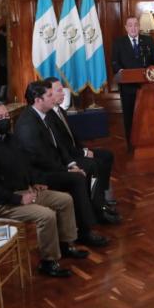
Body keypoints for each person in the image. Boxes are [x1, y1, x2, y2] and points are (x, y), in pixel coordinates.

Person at [0, 100, 87, 278]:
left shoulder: (10, 139)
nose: (5, 120)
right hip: (1, 201)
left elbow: (25, 164)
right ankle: (48, 262)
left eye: (6, 116)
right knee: (46, 215)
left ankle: (66, 245)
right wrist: (18, 199)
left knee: (65, 200)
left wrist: (34, 181)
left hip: (25, 190)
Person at [14, 80, 108, 247]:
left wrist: (71, 164)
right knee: (77, 179)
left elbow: (60, 147)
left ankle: (88, 218)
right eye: (49, 95)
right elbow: (39, 158)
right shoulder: (27, 124)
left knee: (81, 172)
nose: (53, 98)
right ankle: (84, 231)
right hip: (39, 174)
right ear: (38, 100)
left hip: (53, 165)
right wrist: (66, 170)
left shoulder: (45, 115)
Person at [44, 77, 120, 225]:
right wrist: (84, 154)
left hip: (75, 151)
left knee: (107, 155)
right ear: (49, 94)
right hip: (66, 158)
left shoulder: (60, 110)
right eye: (59, 90)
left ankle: (101, 198)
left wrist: (84, 149)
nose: (64, 93)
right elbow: (62, 146)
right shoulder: (49, 116)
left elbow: (73, 138)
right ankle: (97, 208)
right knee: (94, 164)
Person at [111, 16, 154, 149]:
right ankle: (131, 144)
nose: (133, 28)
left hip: (147, 87)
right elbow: (114, 63)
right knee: (130, 117)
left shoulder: (148, 40)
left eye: (136, 25)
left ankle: (149, 141)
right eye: (130, 25)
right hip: (128, 87)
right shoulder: (119, 42)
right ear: (126, 28)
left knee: (149, 115)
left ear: (139, 27)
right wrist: (122, 72)